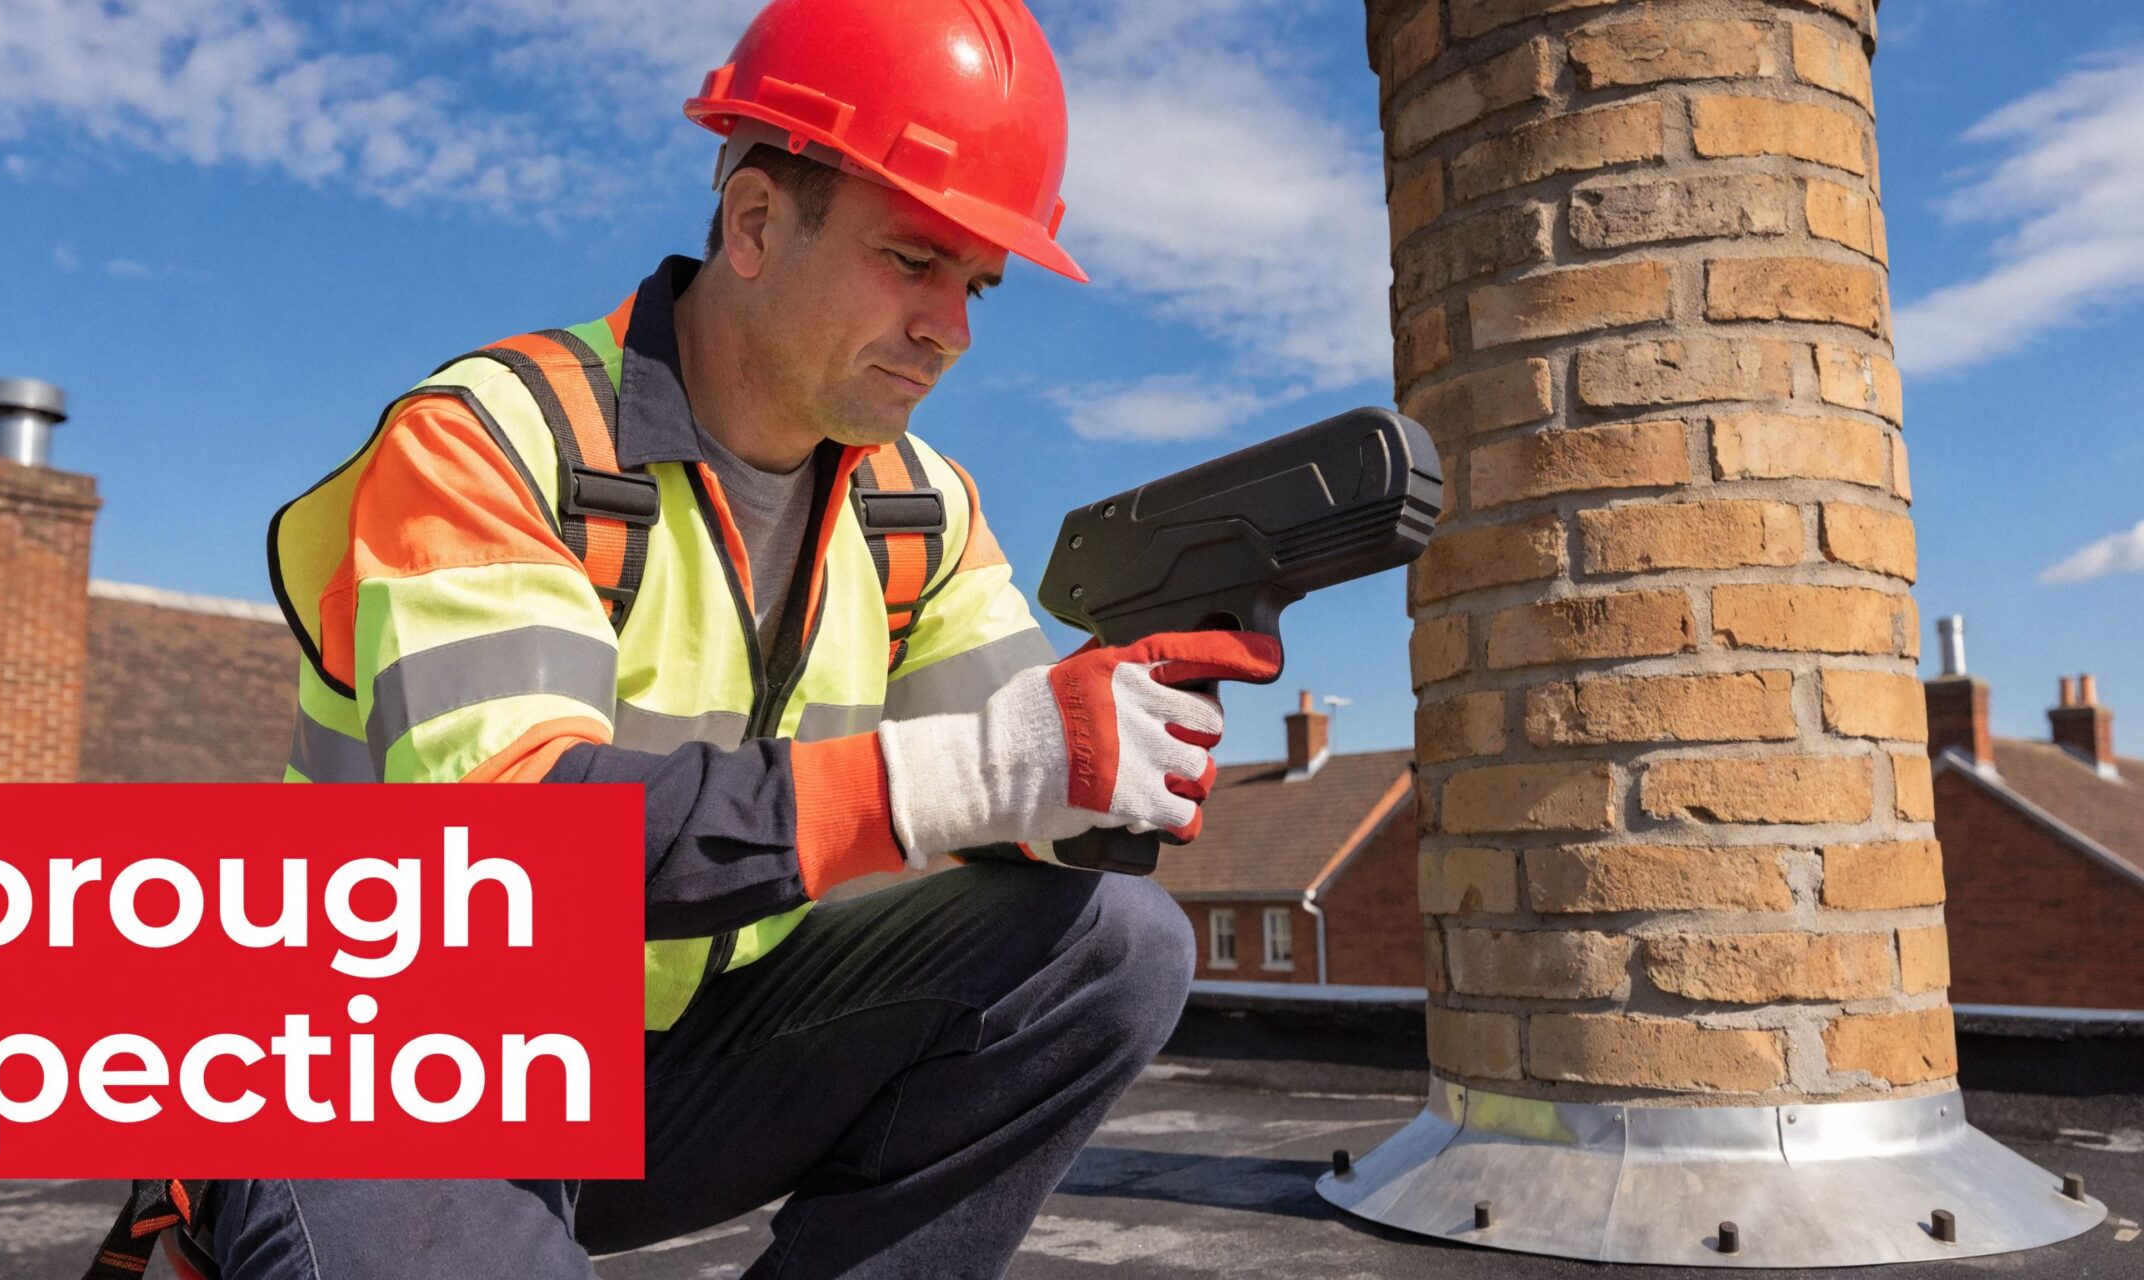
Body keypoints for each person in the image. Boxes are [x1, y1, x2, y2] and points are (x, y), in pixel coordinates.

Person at [88, 1, 1279, 1275]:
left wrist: (1120, 735)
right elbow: (513, 850)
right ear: (757, 221)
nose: (955, 326)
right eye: (911, 260)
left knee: (1110, 941)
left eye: (976, 282)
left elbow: (1023, 790)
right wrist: (971, 772)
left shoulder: (916, 503)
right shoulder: (496, 436)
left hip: (669, 1072)